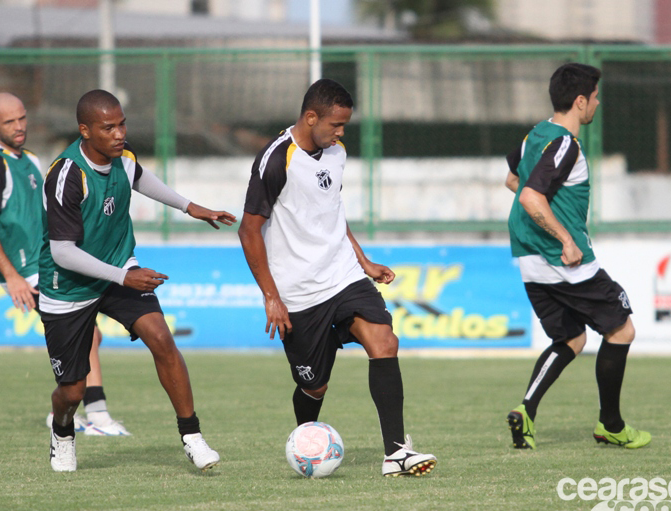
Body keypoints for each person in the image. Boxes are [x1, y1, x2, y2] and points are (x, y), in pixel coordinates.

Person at [238, 79, 436, 477]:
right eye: (336, 124)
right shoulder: (276, 160)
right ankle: (306, 440)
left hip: (342, 275)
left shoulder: (336, 153)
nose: (341, 133)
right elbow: (248, 230)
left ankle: (395, 452)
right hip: (299, 292)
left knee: (384, 341)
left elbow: (331, 212)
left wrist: (362, 261)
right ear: (311, 117)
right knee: (314, 386)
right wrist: (271, 297)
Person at [40, 89, 236, 472]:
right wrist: (124, 277)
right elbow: (63, 252)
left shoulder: (123, 158)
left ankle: (192, 436)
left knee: (162, 338)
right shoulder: (67, 175)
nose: (119, 133)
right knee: (72, 390)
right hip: (69, 286)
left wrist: (190, 207)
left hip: (117, 267)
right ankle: (63, 433)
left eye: (122, 123)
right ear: (85, 131)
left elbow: (141, 178)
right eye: (108, 127)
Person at [504, 63, 651, 450]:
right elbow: (532, 196)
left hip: (529, 258)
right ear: (580, 100)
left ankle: (526, 410)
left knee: (570, 338)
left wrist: (541, 211)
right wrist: (566, 238)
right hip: (564, 261)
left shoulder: (534, 134)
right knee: (621, 330)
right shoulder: (566, 144)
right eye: (596, 97)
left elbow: (512, 179)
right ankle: (611, 425)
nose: (598, 104)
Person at [0, 92, 129, 437]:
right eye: (9, 121)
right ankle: (97, 416)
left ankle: (68, 411)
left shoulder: (28, 159)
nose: (19, 126)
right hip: (28, 271)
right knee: (88, 334)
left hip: (47, 264)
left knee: (90, 335)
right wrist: (12, 276)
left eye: (22, 118)